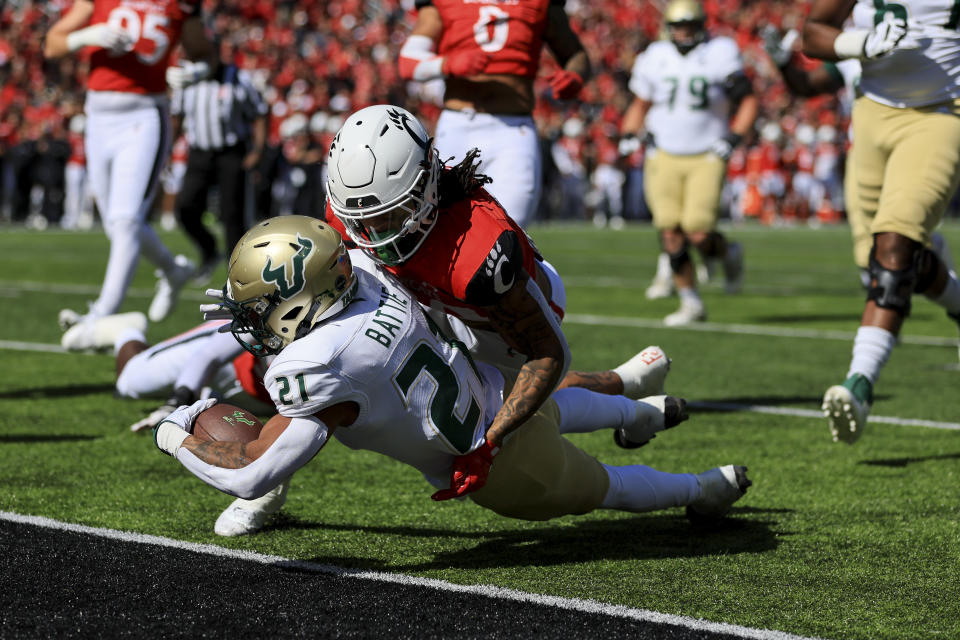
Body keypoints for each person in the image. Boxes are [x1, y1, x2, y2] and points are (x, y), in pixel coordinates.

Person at [154, 217, 751, 532]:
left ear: (299, 302)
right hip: (492, 387)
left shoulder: (320, 365)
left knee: (608, 487)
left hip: (498, 468)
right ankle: (640, 411)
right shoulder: (363, 267)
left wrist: (176, 433)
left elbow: (254, 471)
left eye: (259, 306)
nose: (253, 320)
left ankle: (703, 488)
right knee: (553, 406)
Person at [803, 0, 960, 443]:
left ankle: (859, 385)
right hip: (871, 113)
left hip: (941, 110)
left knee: (894, 252)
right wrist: (862, 42)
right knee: (878, 262)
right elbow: (813, 31)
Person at [44, 0, 215, 351]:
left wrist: (194, 73)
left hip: (144, 114)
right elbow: (53, 44)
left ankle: (100, 315)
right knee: (117, 223)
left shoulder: (178, 6)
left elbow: (206, 55)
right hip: (98, 114)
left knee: (124, 221)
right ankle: (173, 270)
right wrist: (87, 35)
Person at [762, 26, 956, 288]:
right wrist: (784, 64)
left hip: (917, 140)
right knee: (870, 254)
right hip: (865, 149)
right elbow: (807, 85)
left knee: (903, 242)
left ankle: (896, 308)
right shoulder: (855, 43)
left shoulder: (930, 35)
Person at [619, 0, 758, 326]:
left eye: (690, 25)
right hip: (663, 152)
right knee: (669, 230)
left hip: (706, 152)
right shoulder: (655, 55)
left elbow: (748, 99)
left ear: (701, 25)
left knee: (697, 231)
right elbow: (641, 103)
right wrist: (628, 132)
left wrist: (734, 137)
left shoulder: (720, 51)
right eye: (678, 26)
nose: (684, 32)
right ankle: (690, 302)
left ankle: (727, 252)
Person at [398, 0, 591, 227]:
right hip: (459, 126)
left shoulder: (539, 4)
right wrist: (447, 65)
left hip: (512, 131)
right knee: (444, 228)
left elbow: (576, 55)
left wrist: (575, 76)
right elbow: (407, 62)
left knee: (512, 230)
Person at [169, 56, 269, 282]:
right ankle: (209, 249)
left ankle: (238, 275)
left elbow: (260, 111)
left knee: (233, 215)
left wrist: (257, 150)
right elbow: (176, 116)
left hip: (231, 152)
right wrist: (168, 149)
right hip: (199, 152)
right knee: (185, 208)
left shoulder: (238, 78)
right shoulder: (188, 79)